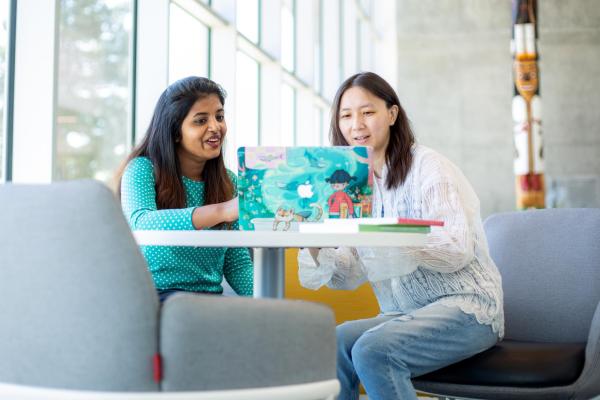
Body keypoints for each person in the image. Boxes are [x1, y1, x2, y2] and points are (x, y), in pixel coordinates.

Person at [298, 72, 503, 400]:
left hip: (467, 309)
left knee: (371, 351)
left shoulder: (429, 167)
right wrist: (312, 237)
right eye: (346, 116)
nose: (356, 125)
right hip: (402, 314)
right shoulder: (355, 186)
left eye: (368, 112)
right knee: (336, 342)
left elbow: (456, 250)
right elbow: (349, 274)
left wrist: (387, 234)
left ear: (392, 114)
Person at [117, 76, 253, 301]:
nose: (215, 127)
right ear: (175, 131)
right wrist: (221, 211)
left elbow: (236, 261)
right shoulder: (142, 169)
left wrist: (272, 304)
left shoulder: (228, 182)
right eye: (201, 121)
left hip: (207, 300)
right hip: (153, 298)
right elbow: (141, 223)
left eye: (219, 117)